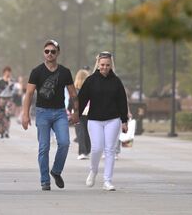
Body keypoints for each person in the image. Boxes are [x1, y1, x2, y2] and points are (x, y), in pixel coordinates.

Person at [21, 39, 79, 191]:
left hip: (60, 113)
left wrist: (76, 112)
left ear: (57, 53)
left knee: (65, 143)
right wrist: (25, 115)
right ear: (43, 53)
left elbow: (73, 94)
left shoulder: (65, 72)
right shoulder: (37, 71)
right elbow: (29, 94)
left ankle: (56, 171)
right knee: (44, 147)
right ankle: (45, 180)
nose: (50, 54)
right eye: (47, 51)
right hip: (42, 113)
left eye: (53, 51)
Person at [78, 51, 128, 191]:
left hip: (113, 119)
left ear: (111, 65)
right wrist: (76, 115)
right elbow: (82, 99)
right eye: (102, 65)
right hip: (94, 120)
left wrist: (124, 121)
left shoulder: (116, 81)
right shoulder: (90, 81)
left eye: (107, 65)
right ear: (98, 65)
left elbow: (122, 102)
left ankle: (107, 180)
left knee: (110, 150)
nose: (105, 67)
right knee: (97, 148)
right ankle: (93, 171)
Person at [73, 69, 91, 160]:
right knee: (86, 132)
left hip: (78, 113)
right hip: (88, 113)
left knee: (81, 133)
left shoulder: (75, 90)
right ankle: (84, 151)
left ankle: (83, 152)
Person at [0, 66, 14, 139]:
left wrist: (9, 81)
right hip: (1, 99)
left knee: (7, 116)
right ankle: (1, 131)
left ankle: (6, 131)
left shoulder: (11, 80)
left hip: (9, 99)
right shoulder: (0, 80)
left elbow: (12, 89)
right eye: (6, 71)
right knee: (0, 116)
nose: (8, 73)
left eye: (9, 71)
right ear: (4, 72)